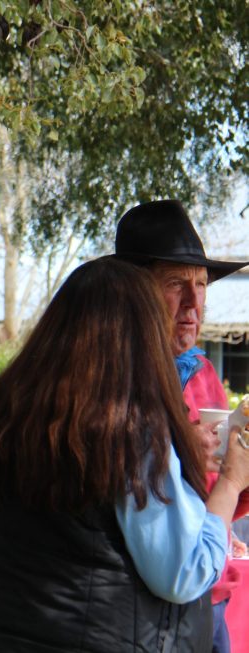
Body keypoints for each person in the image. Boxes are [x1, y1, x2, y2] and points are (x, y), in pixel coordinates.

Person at [0, 256, 249, 653]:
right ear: (141, 335)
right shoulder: (129, 431)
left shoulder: (5, 416)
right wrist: (230, 483)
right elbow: (184, 572)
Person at [115, 199, 249, 652]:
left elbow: (219, 490)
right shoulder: (108, 379)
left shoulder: (205, 374)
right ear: (136, 291)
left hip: (211, 592)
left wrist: (241, 472)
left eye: (201, 284)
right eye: (176, 284)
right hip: (149, 600)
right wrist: (172, 449)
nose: (194, 303)